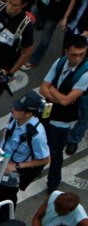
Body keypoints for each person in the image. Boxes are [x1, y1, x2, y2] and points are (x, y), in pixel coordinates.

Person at [40, 37, 87, 192]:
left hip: (63, 120)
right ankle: (37, 167)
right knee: (40, 141)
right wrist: (57, 96)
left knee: (55, 151)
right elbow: (42, 88)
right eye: (74, 54)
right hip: (48, 111)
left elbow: (66, 101)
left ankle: (53, 183)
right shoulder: (59, 62)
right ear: (67, 52)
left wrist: (52, 90)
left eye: (82, 54)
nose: (78, 58)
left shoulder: (85, 74)